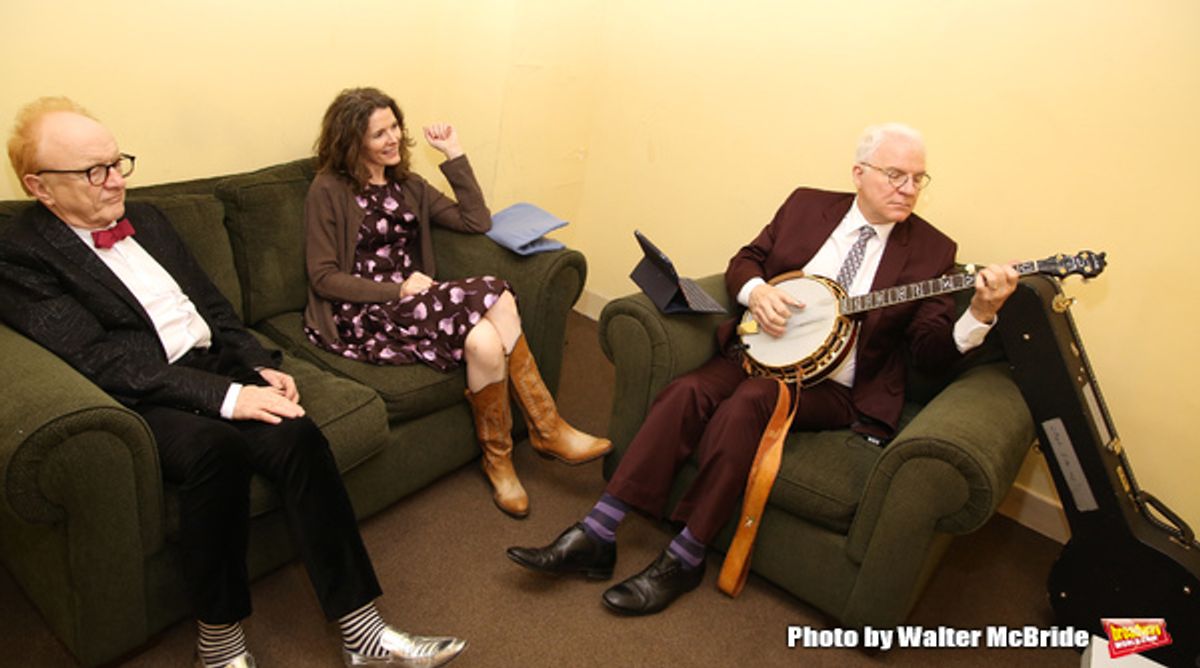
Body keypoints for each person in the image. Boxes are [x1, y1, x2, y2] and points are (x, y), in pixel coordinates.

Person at [0, 98, 466, 668]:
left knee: (297, 431)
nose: (114, 180)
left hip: (212, 359)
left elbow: (213, 304)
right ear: (41, 188)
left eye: (116, 162)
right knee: (215, 451)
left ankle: (363, 634)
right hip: (140, 391)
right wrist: (228, 398)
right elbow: (98, 359)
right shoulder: (19, 252)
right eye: (93, 171)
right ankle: (220, 646)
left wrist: (255, 364)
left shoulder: (145, 217)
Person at [506, 123, 1020, 615]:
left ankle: (685, 556)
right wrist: (759, 292)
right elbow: (747, 260)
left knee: (750, 404)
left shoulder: (933, 251)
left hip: (834, 388)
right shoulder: (807, 205)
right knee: (686, 393)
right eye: (895, 175)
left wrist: (980, 314)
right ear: (859, 172)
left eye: (918, 179)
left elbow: (930, 352)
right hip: (758, 350)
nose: (908, 190)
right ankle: (599, 531)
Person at [304, 87, 610, 519]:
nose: (393, 139)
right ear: (352, 140)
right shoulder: (328, 190)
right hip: (365, 311)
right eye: (379, 134)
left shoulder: (408, 183)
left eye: (395, 126)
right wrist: (397, 290)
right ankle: (547, 426)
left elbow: (475, 220)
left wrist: (454, 153)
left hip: (417, 299)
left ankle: (499, 460)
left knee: (485, 342)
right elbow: (323, 277)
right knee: (497, 293)